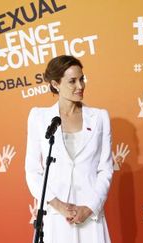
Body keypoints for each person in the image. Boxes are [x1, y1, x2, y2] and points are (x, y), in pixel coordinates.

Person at [25, 55, 113, 243]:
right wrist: (59, 205)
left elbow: (105, 169)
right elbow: (33, 171)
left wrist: (90, 207)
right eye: (72, 81)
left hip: (90, 215)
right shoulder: (39, 117)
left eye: (82, 79)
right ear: (56, 84)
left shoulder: (99, 117)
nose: (80, 86)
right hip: (56, 217)